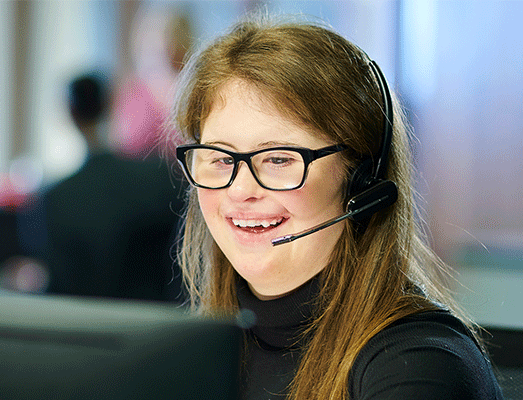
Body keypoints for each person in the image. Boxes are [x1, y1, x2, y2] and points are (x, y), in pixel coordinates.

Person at [171, 14, 504, 400]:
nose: (241, 189)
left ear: (361, 178)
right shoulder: (194, 355)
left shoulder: (419, 366)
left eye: (279, 159)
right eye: (222, 158)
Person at [27, 72, 184, 302]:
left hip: (80, 329)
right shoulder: (162, 180)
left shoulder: (53, 201)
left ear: (70, 113)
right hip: (156, 324)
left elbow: (54, 281)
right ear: (111, 104)